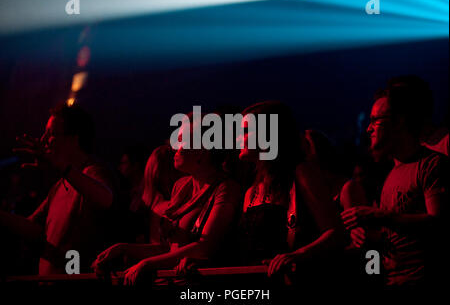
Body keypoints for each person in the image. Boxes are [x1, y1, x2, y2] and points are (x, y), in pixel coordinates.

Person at [92, 112, 241, 285]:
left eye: (182, 140)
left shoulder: (226, 188)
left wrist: (146, 264)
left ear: (203, 151)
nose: (173, 147)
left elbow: (205, 247)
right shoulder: (182, 186)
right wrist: (123, 249)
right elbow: (169, 250)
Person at [341, 78, 449, 285]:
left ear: (399, 121)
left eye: (375, 120)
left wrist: (383, 216)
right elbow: (393, 235)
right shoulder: (390, 174)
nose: (368, 129)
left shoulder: (432, 165)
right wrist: (368, 237)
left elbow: (439, 224)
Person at [0, 103, 117, 275]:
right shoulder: (61, 184)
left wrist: (63, 167)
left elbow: (105, 198)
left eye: (52, 134)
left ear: (74, 139)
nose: (44, 139)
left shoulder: (94, 171)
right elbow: (34, 229)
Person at [237, 101, 344, 283]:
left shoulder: (301, 174)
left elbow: (336, 233)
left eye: (245, 131)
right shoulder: (251, 192)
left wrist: (298, 255)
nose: (239, 138)